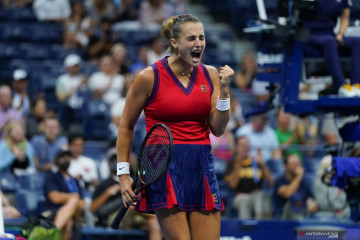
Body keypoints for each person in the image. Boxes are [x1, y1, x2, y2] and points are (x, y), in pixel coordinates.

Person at [116, 14, 234, 239]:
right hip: (163, 167)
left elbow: (218, 129)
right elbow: (125, 127)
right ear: (174, 43)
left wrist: (225, 92)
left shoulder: (211, 75)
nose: (198, 43)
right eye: (191, 38)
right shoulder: (148, 77)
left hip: (201, 165)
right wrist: (123, 175)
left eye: (201, 37)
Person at [90, 153, 161, 240]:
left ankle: (160, 217)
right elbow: (92, 209)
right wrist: (108, 192)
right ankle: (162, 216)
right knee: (133, 207)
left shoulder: (133, 181)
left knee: (153, 223)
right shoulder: (105, 184)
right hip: (116, 217)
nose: (132, 161)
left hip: (136, 216)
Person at [303, 0, 360, 97]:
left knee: (357, 42)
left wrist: (340, 34)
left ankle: (356, 84)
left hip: (330, 34)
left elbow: (345, 16)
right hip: (309, 35)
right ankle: (340, 83)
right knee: (329, 41)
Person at [225, 136, 274, 219]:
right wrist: (239, 165)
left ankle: (262, 226)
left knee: (261, 196)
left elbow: (271, 183)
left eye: (247, 144)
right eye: (242, 145)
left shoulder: (256, 162)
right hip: (240, 196)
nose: (245, 147)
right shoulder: (231, 163)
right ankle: (246, 229)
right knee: (244, 200)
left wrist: (263, 164)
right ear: (236, 147)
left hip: (257, 194)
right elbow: (232, 185)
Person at [39, 150, 84, 240]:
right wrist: (73, 196)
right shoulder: (52, 177)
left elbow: (82, 204)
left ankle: (52, 232)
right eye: (62, 157)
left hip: (76, 213)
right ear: (57, 160)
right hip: (53, 210)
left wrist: (67, 198)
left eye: (68, 157)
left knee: (74, 202)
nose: (65, 159)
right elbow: (54, 198)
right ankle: (54, 230)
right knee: (68, 223)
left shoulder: (75, 180)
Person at [273, 154, 318, 220]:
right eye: (293, 164)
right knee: (292, 203)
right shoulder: (279, 181)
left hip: (303, 213)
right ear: (285, 166)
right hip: (284, 217)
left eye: (298, 164)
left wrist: (312, 205)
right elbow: (287, 194)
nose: (297, 167)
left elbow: (309, 198)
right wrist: (299, 176)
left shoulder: (304, 183)